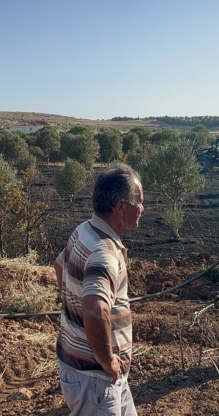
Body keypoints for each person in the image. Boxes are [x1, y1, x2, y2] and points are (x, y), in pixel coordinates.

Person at [54, 164, 143, 416]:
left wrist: (74, 307)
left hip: (100, 376)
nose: (143, 209)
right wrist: (107, 361)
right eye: (139, 201)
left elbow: (59, 266)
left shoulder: (84, 231)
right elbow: (94, 312)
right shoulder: (104, 253)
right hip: (97, 378)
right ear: (121, 207)